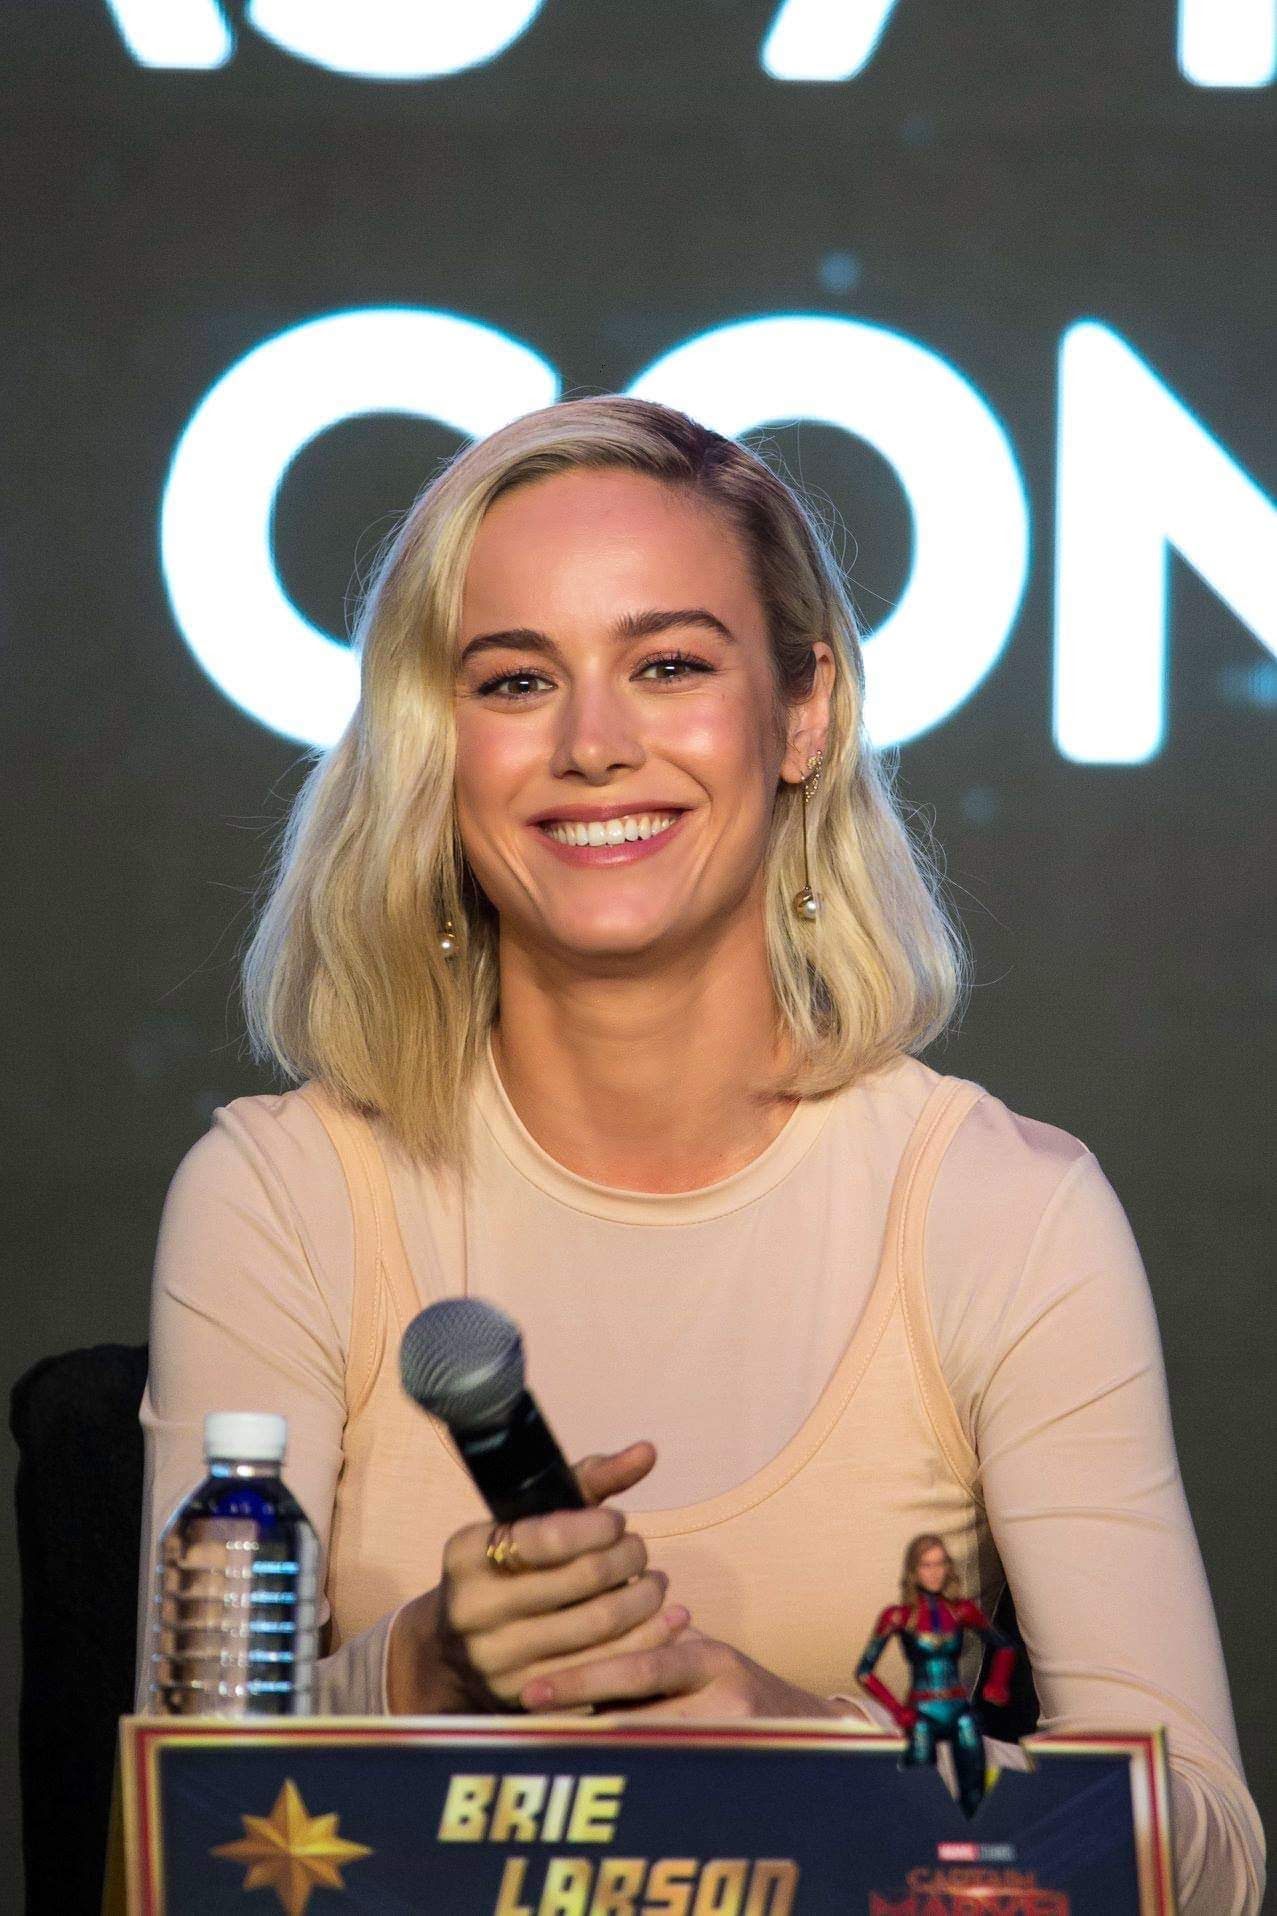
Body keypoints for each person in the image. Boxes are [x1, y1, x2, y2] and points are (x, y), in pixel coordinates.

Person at [136, 396, 1263, 1912]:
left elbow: (1205, 1854)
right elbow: (165, 1848)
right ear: (434, 749)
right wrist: (425, 1668)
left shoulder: (1001, 1209)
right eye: (515, 680)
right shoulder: (280, 1195)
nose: (594, 745)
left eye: (667, 665)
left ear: (802, 713)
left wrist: (810, 1751)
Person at [856, 1533, 1016, 1817]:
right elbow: (865, 1672)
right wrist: (897, 1710)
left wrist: (998, 1683)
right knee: (918, 1795)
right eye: (927, 1565)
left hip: (958, 1708)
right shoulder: (899, 1616)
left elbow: (1004, 1646)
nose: (934, 1572)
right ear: (914, 1570)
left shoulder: (962, 1611)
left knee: (975, 1793)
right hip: (921, 1712)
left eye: (940, 1564)